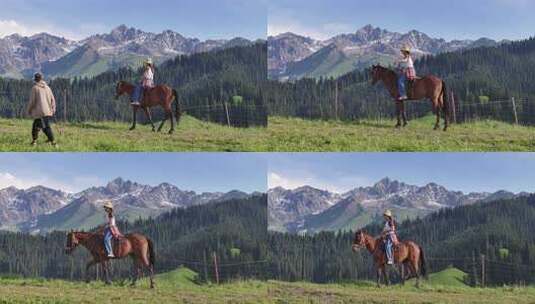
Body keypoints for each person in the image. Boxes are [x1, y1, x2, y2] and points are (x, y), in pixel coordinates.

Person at [27, 73, 57, 147]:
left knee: (45, 128)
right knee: (36, 126)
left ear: (35, 79)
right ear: (42, 79)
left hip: (40, 112)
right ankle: (34, 141)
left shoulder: (35, 88)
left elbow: (32, 101)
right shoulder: (47, 87)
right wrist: (53, 109)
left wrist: (29, 110)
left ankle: (53, 142)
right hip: (48, 111)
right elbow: (52, 99)